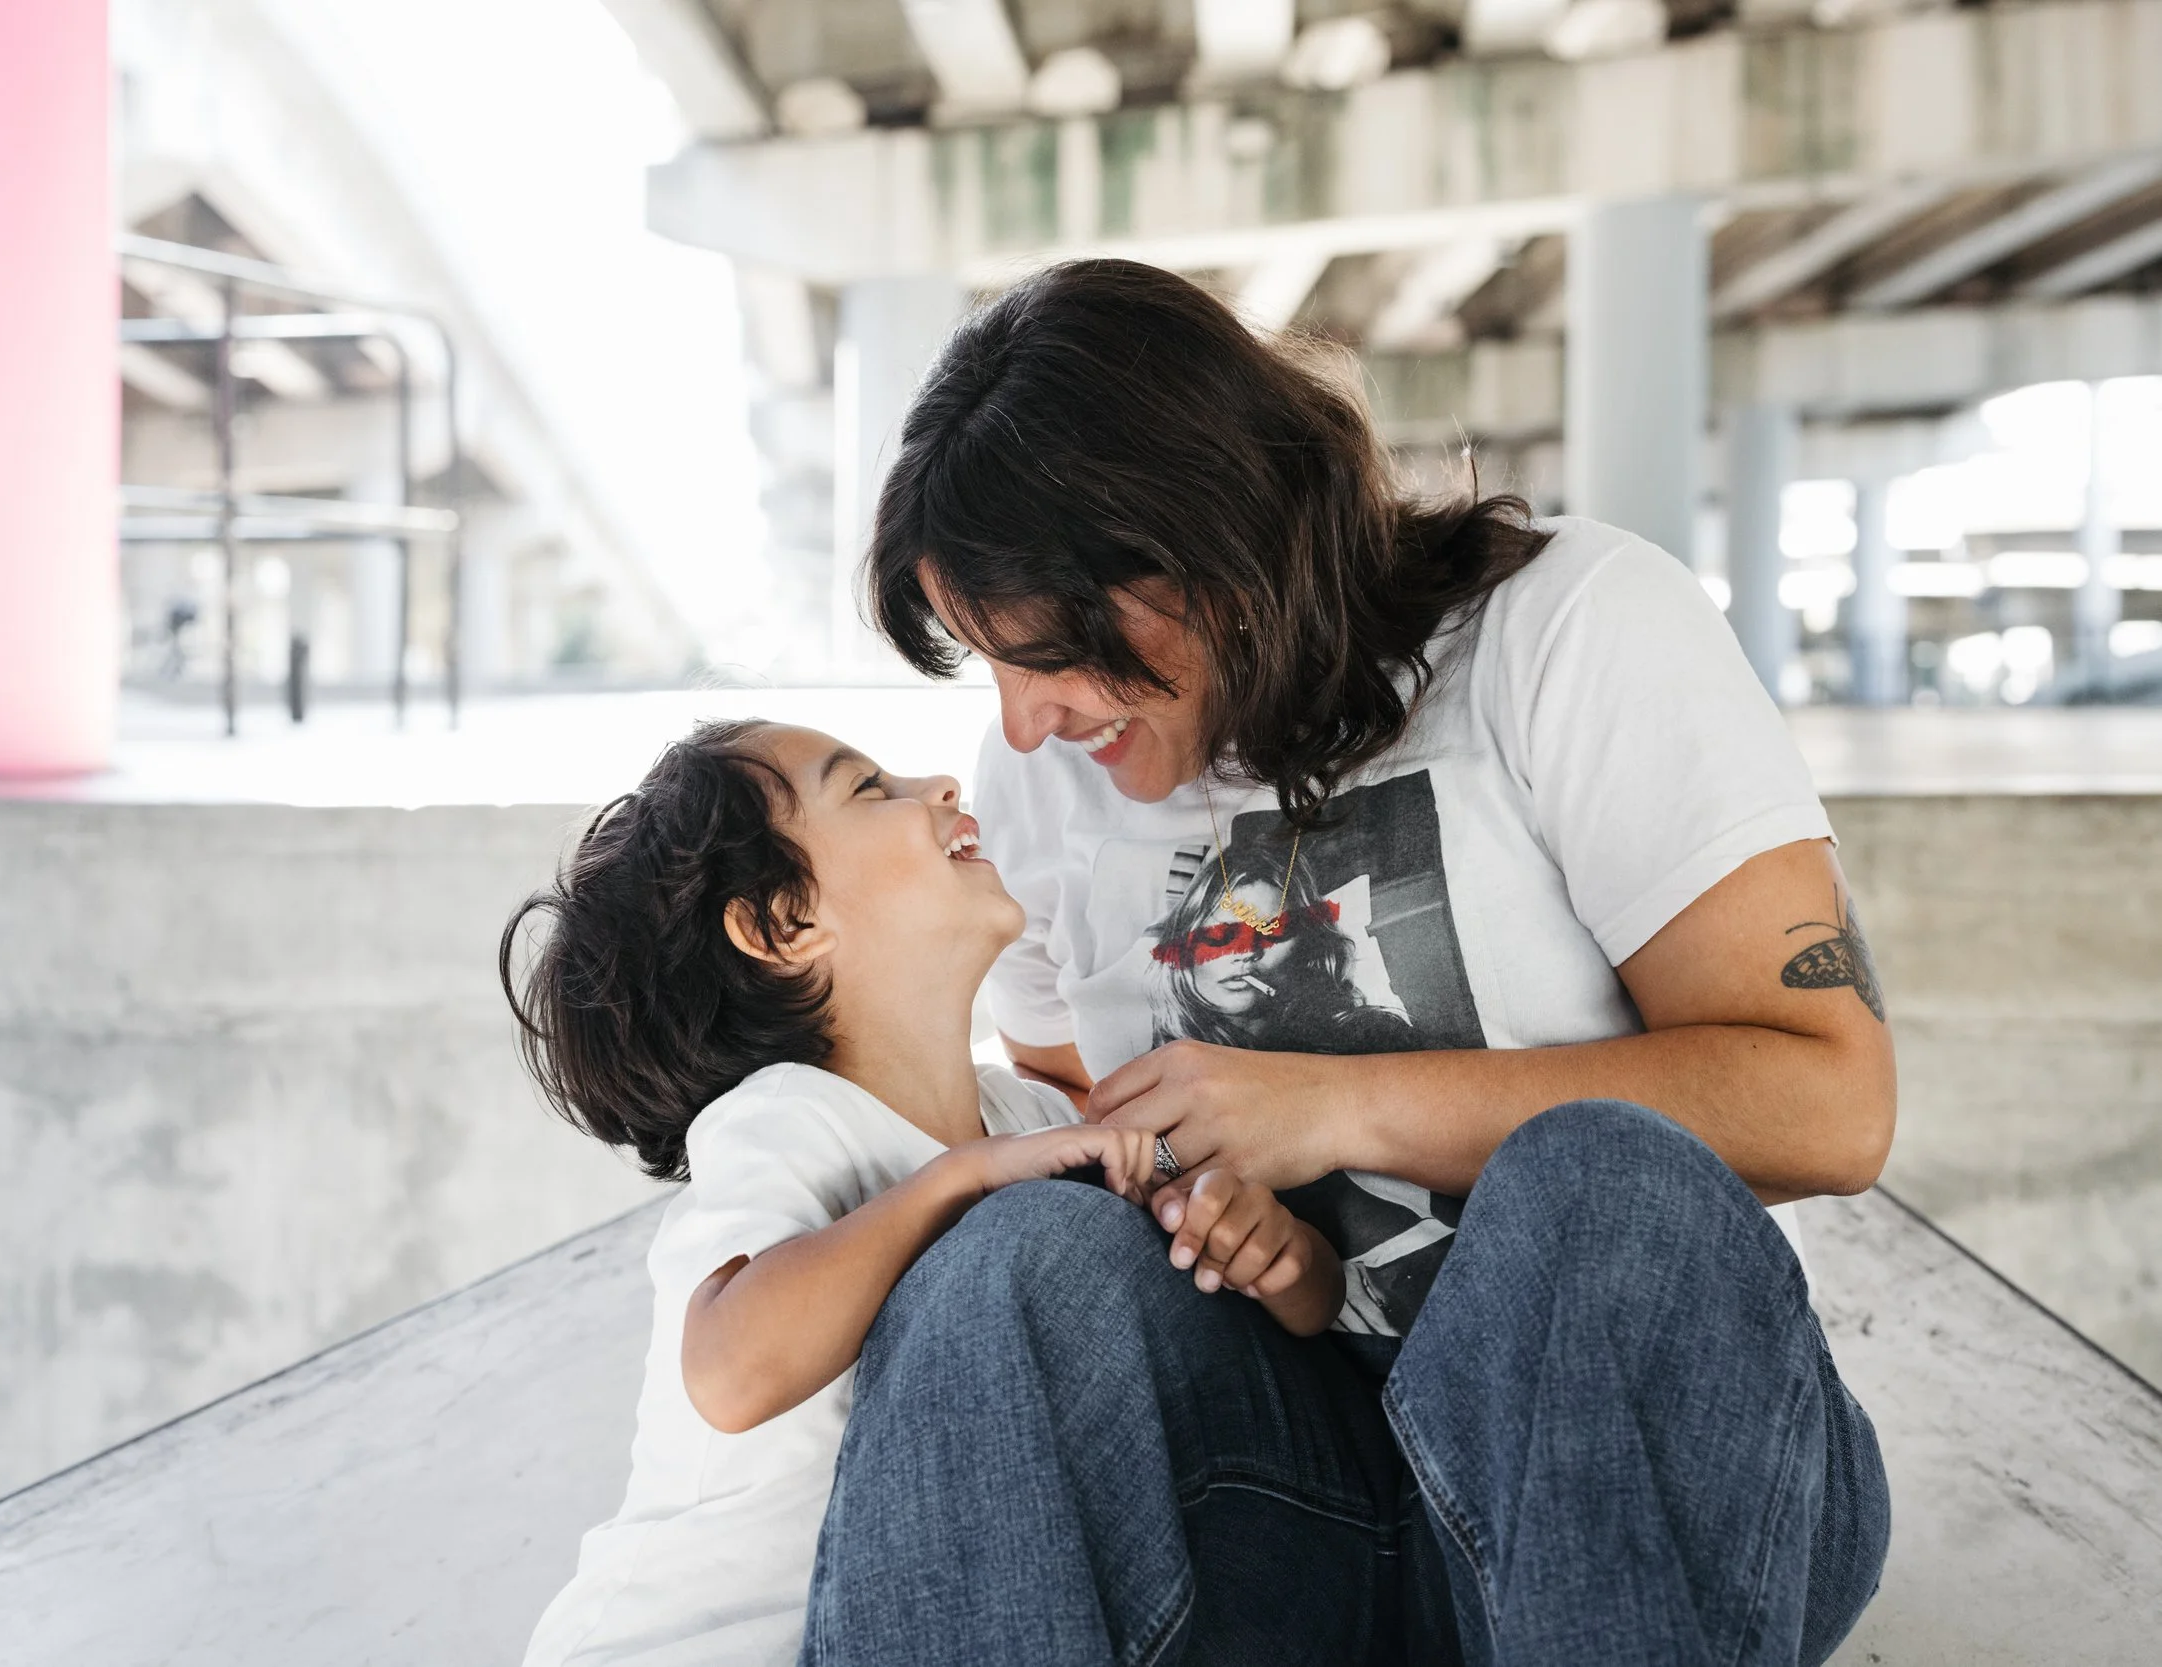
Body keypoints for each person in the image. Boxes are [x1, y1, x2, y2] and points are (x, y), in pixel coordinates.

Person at [803, 259, 1895, 1665]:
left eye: (1057, 651)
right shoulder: (1039, 792)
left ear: (1219, 540)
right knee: (1009, 1255)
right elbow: (1085, 1103)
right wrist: (1205, 1209)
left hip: (1637, 1490)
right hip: (1311, 1500)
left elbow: (1832, 1101)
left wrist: (1338, 1105)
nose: (1022, 724)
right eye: (987, 663)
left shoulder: (1569, 627)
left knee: (1590, 1179)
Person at [506, 719, 1341, 1667]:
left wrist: (1280, 1256)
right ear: (785, 922)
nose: (942, 781)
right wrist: (959, 1179)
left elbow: (1306, 1312)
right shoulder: (787, 1118)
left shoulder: (1020, 1113)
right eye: (867, 788)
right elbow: (733, 1370)